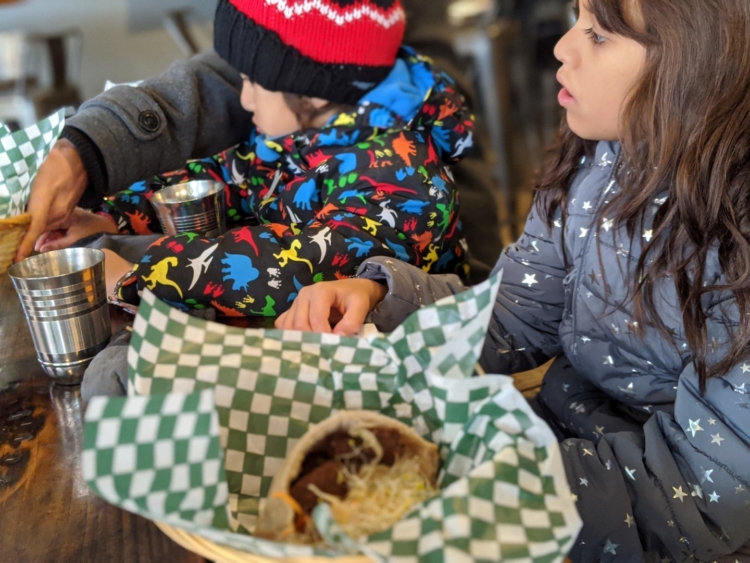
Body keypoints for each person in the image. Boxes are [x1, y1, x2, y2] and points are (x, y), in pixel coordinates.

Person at [276, 0, 750, 560]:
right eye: (577, 18)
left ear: (699, 64)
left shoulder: (733, 245)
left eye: (598, 35)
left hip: (652, 521)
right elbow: (512, 317)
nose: (562, 47)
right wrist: (381, 298)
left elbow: (710, 495)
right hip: (551, 451)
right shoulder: (597, 158)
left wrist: (485, 489)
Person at [19, 0, 476, 316]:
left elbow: (294, 266)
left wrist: (141, 272)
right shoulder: (298, 133)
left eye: (254, 81)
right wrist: (115, 221)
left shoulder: (397, 168)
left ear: (314, 88)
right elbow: (226, 182)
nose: (245, 98)